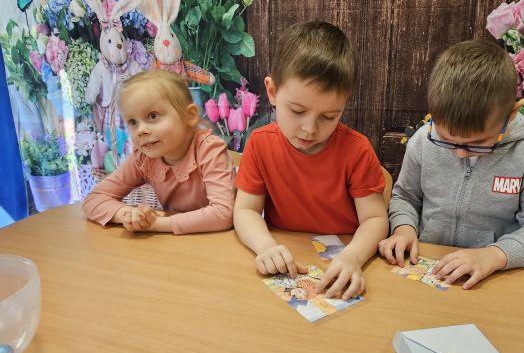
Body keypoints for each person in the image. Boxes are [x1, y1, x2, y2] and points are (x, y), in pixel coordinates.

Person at [379, 39, 524, 289]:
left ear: (511, 114)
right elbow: (405, 197)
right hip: (428, 268)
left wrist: (496, 255)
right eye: (446, 140)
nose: (460, 153)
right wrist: (403, 228)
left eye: (477, 143)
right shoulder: (423, 141)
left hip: (495, 279)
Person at [233, 21, 388, 300]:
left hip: (343, 261)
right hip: (289, 259)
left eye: (329, 116)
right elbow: (245, 211)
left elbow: (375, 218)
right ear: (272, 92)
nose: (309, 129)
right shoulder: (259, 144)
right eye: (297, 110)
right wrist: (265, 246)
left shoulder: (357, 150)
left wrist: (353, 256)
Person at [82, 70, 234, 234]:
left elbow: (223, 213)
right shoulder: (143, 158)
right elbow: (94, 199)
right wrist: (127, 214)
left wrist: (156, 224)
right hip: (175, 242)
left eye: (152, 116)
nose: (141, 130)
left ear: (189, 116)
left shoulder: (209, 149)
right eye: (132, 122)